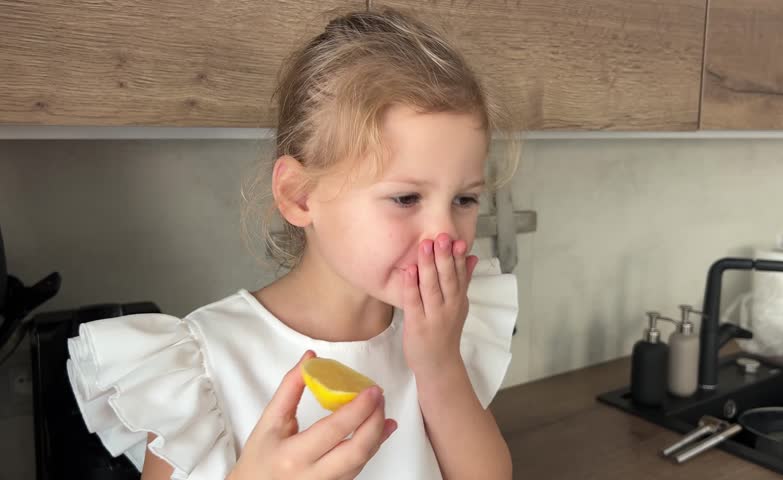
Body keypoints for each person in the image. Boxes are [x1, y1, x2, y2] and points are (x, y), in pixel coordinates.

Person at [67, 7, 519, 480]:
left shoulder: (445, 334)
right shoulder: (202, 365)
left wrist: (439, 365)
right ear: (300, 196)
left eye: (465, 198)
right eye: (406, 197)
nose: (444, 233)